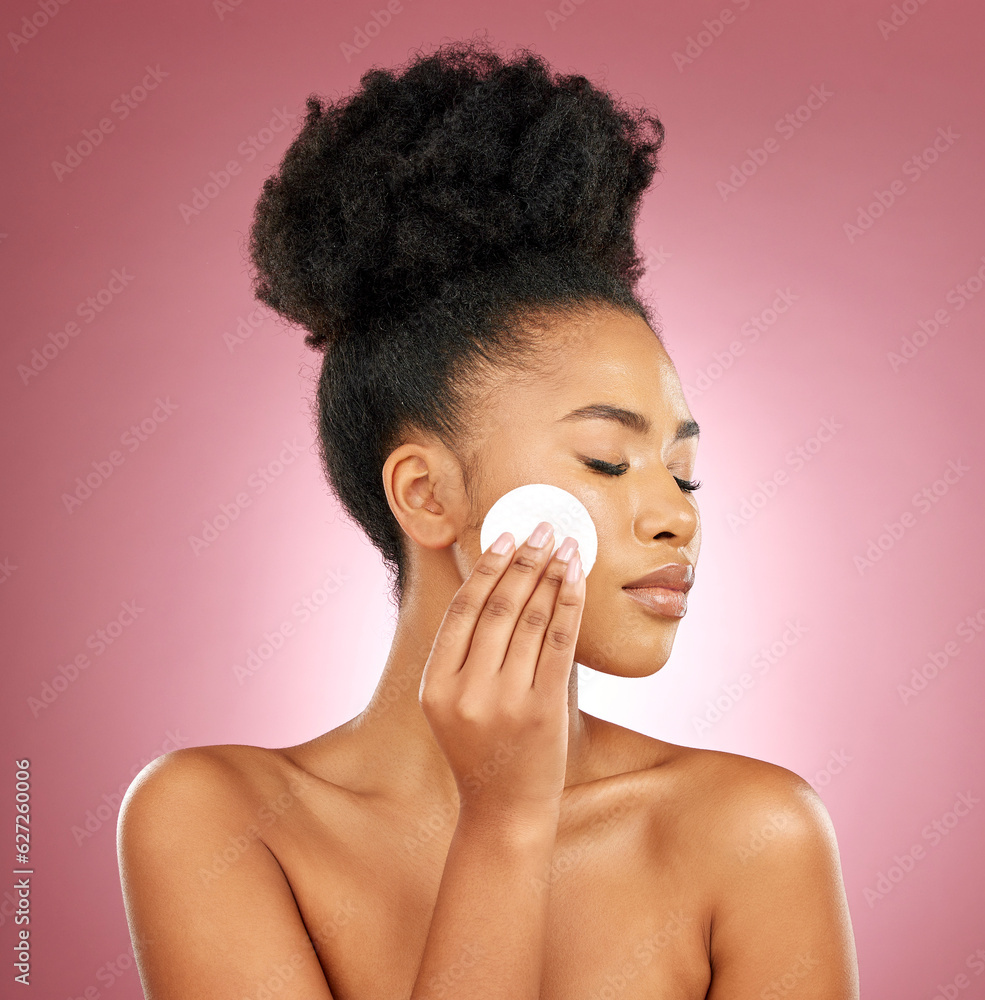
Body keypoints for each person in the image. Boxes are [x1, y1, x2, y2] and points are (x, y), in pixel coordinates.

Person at [116, 37, 859, 999]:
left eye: (684, 473)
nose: (676, 517)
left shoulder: (754, 832)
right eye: (606, 458)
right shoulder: (215, 821)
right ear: (427, 494)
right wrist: (503, 820)